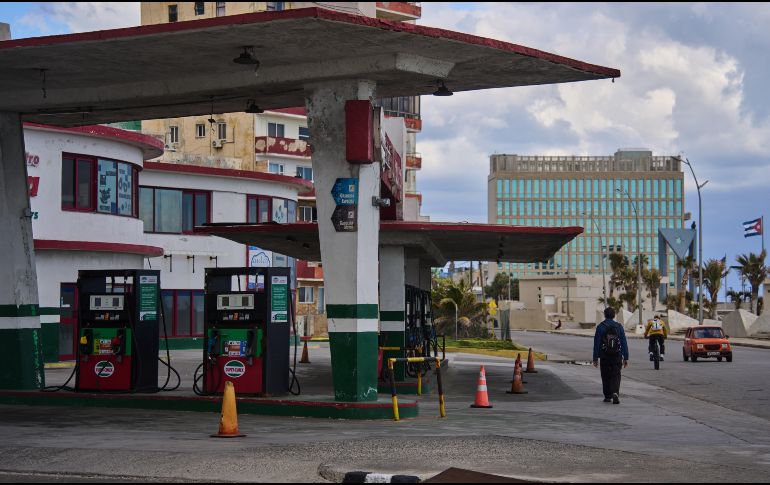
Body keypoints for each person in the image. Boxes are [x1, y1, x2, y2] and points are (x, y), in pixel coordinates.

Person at [593, 307, 629, 404]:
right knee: (616, 374)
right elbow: (623, 342)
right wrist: (625, 357)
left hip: (604, 355)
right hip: (617, 355)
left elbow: (597, 343)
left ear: (605, 315)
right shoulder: (619, 326)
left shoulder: (600, 326)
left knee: (605, 375)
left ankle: (608, 396)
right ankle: (615, 392)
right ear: (614, 315)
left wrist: (595, 358)